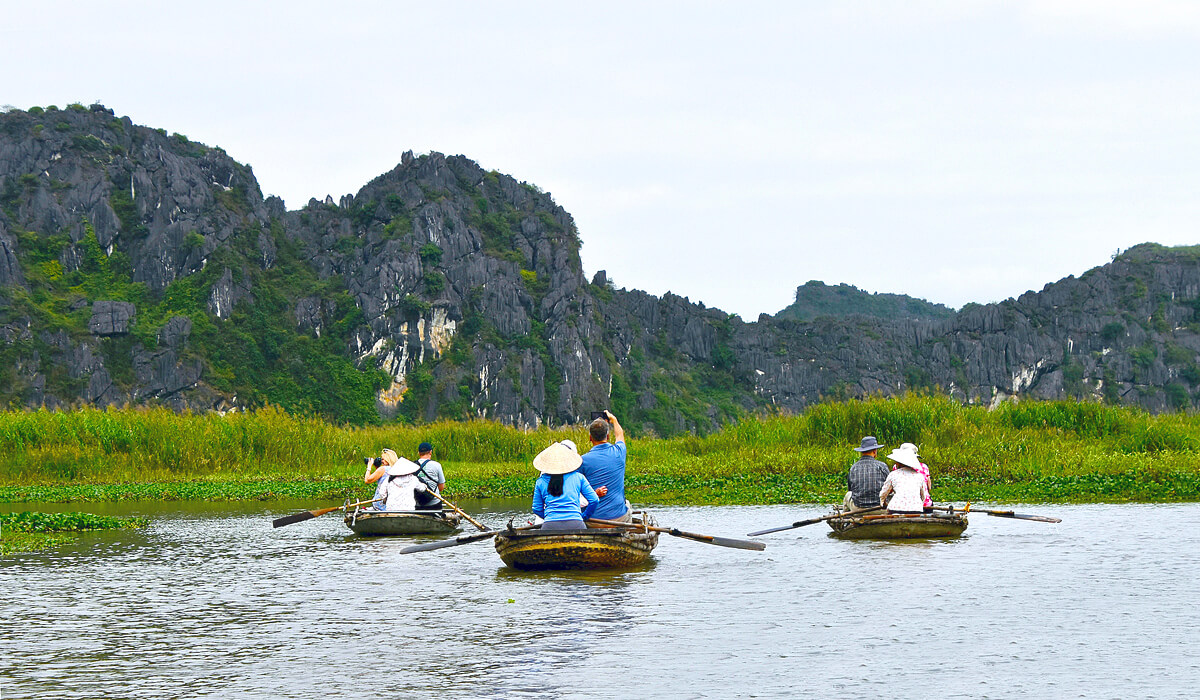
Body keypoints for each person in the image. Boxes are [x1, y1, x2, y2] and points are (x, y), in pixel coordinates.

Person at [531, 442, 599, 530]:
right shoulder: (578, 477)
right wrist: (584, 516)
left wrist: (550, 518)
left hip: (549, 526)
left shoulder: (540, 481)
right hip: (576, 524)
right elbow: (594, 500)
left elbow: (536, 509)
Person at [579, 410, 630, 523]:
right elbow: (620, 435)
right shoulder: (619, 452)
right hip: (618, 519)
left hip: (592, 520)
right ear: (607, 436)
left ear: (590, 438)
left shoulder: (582, 461)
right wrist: (614, 421)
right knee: (628, 505)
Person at [363, 449, 429, 511]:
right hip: (409, 509)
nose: (381, 461)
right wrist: (425, 486)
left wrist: (369, 466)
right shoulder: (413, 478)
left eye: (383, 459)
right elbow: (422, 488)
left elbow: (380, 491)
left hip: (389, 508)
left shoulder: (388, 477)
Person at [879, 446, 931, 514]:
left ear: (898, 463)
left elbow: (883, 493)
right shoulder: (920, 476)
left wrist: (882, 502)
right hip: (916, 510)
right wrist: (918, 505)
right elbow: (923, 496)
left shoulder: (893, 474)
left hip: (895, 508)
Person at [844, 436, 890, 511]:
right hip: (880, 509)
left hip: (858, 510)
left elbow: (851, 489)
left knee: (848, 494)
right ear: (875, 451)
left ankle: (846, 517)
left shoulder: (853, 467)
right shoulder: (882, 466)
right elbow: (890, 487)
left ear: (862, 452)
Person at [897, 442, 932, 508]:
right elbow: (929, 487)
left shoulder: (896, 467)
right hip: (926, 504)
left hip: (906, 506)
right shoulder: (924, 467)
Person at [412, 441, 446, 511]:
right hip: (434, 504)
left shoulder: (412, 465)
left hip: (417, 504)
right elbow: (441, 488)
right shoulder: (437, 465)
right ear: (430, 452)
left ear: (418, 453)